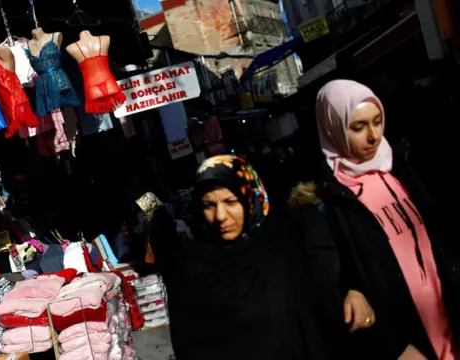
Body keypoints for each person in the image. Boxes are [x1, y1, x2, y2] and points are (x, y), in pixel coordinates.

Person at [291, 79, 459, 359]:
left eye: (377, 121)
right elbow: (332, 290)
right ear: (332, 126)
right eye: (357, 127)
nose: (373, 136)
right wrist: (395, 347)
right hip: (410, 346)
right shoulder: (325, 201)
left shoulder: (401, 169)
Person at [155, 154, 373, 359]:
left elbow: (328, 286)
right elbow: (189, 346)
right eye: (209, 205)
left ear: (252, 198)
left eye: (231, 202)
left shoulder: (288, 241)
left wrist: (353, 289)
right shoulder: (191, 269)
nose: (220, 216)